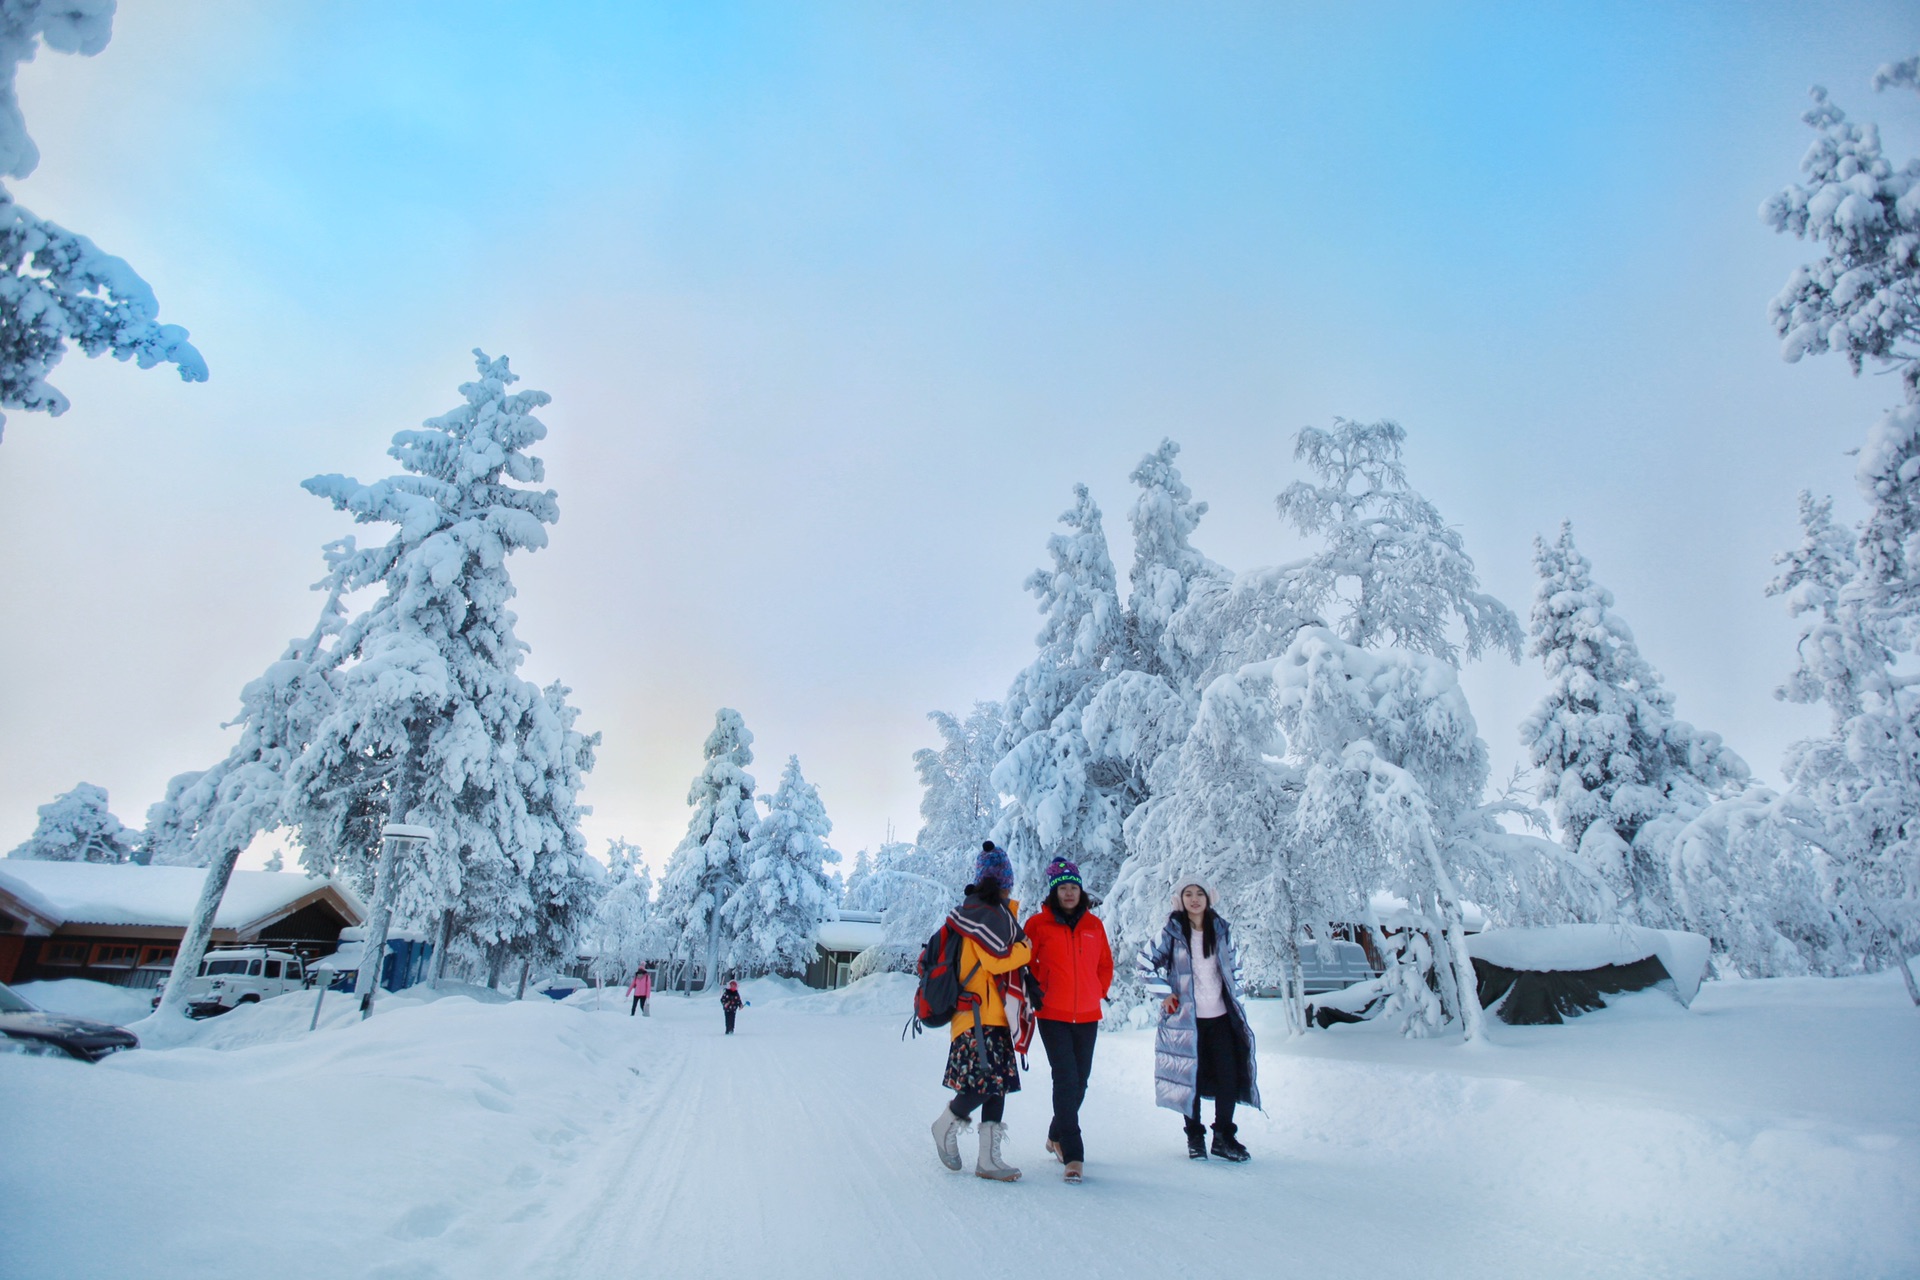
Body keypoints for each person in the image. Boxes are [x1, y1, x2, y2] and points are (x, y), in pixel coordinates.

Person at [928, 841, 1036, 1183]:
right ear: (1002, 883)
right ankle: (945, 1123)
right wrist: (1025, 949)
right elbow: (994, 960)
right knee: (982, 1085)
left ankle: (989, 1159)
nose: (1007, 888)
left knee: (997, 1085)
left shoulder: (989, 915)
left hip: (993, 1014)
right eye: (1006, 882)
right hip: (978, 1016)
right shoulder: (981, 916)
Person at [1137, 878, 1260, 1162]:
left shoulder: (1221, 931)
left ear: (1208, 898)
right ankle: (1195, 1137)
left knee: (1228, 1077)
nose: (1194, 899)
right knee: (1189, 1077)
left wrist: (1235, 998)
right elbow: (1144, 962)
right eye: (1188, 894)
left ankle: (1223, 1137)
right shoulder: (1172, 932)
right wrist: (1165, 994)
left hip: (1220, 1018)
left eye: (1200, 893)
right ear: (1181, 900)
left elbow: (1236, 966)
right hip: (1186, 1021)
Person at [1022, 857, 1112, 1185]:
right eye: (1063, 888)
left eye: (1074, 887)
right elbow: (1025, 962)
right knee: (1065, 1078)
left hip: (1088, 1013)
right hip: (1053, 1013)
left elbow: (1105, 963)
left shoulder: (1094, 926)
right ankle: (1073, 1155)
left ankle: (1055, 1134)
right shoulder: (1038, 924)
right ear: (1054, 892)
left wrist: (1098, 989)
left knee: (1082, 1079)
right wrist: (1038, 991)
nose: (1070, 893)